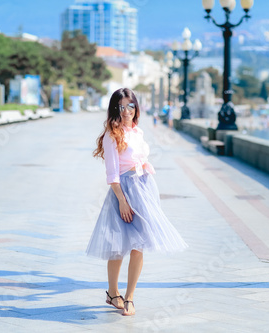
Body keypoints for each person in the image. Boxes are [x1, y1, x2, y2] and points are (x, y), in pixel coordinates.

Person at [87, 88, 187, 316]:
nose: (126, 111)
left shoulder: (138, 132)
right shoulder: (112, 135)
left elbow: (141, 160)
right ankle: (113, 293)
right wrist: (122, 201)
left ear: (136, 107)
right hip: (122, 192)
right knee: (117, 247)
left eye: (130, 106)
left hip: (143, 189)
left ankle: (130, 297)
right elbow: (112, 174)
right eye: (121, 107)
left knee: (138, 245)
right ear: (115, 109)